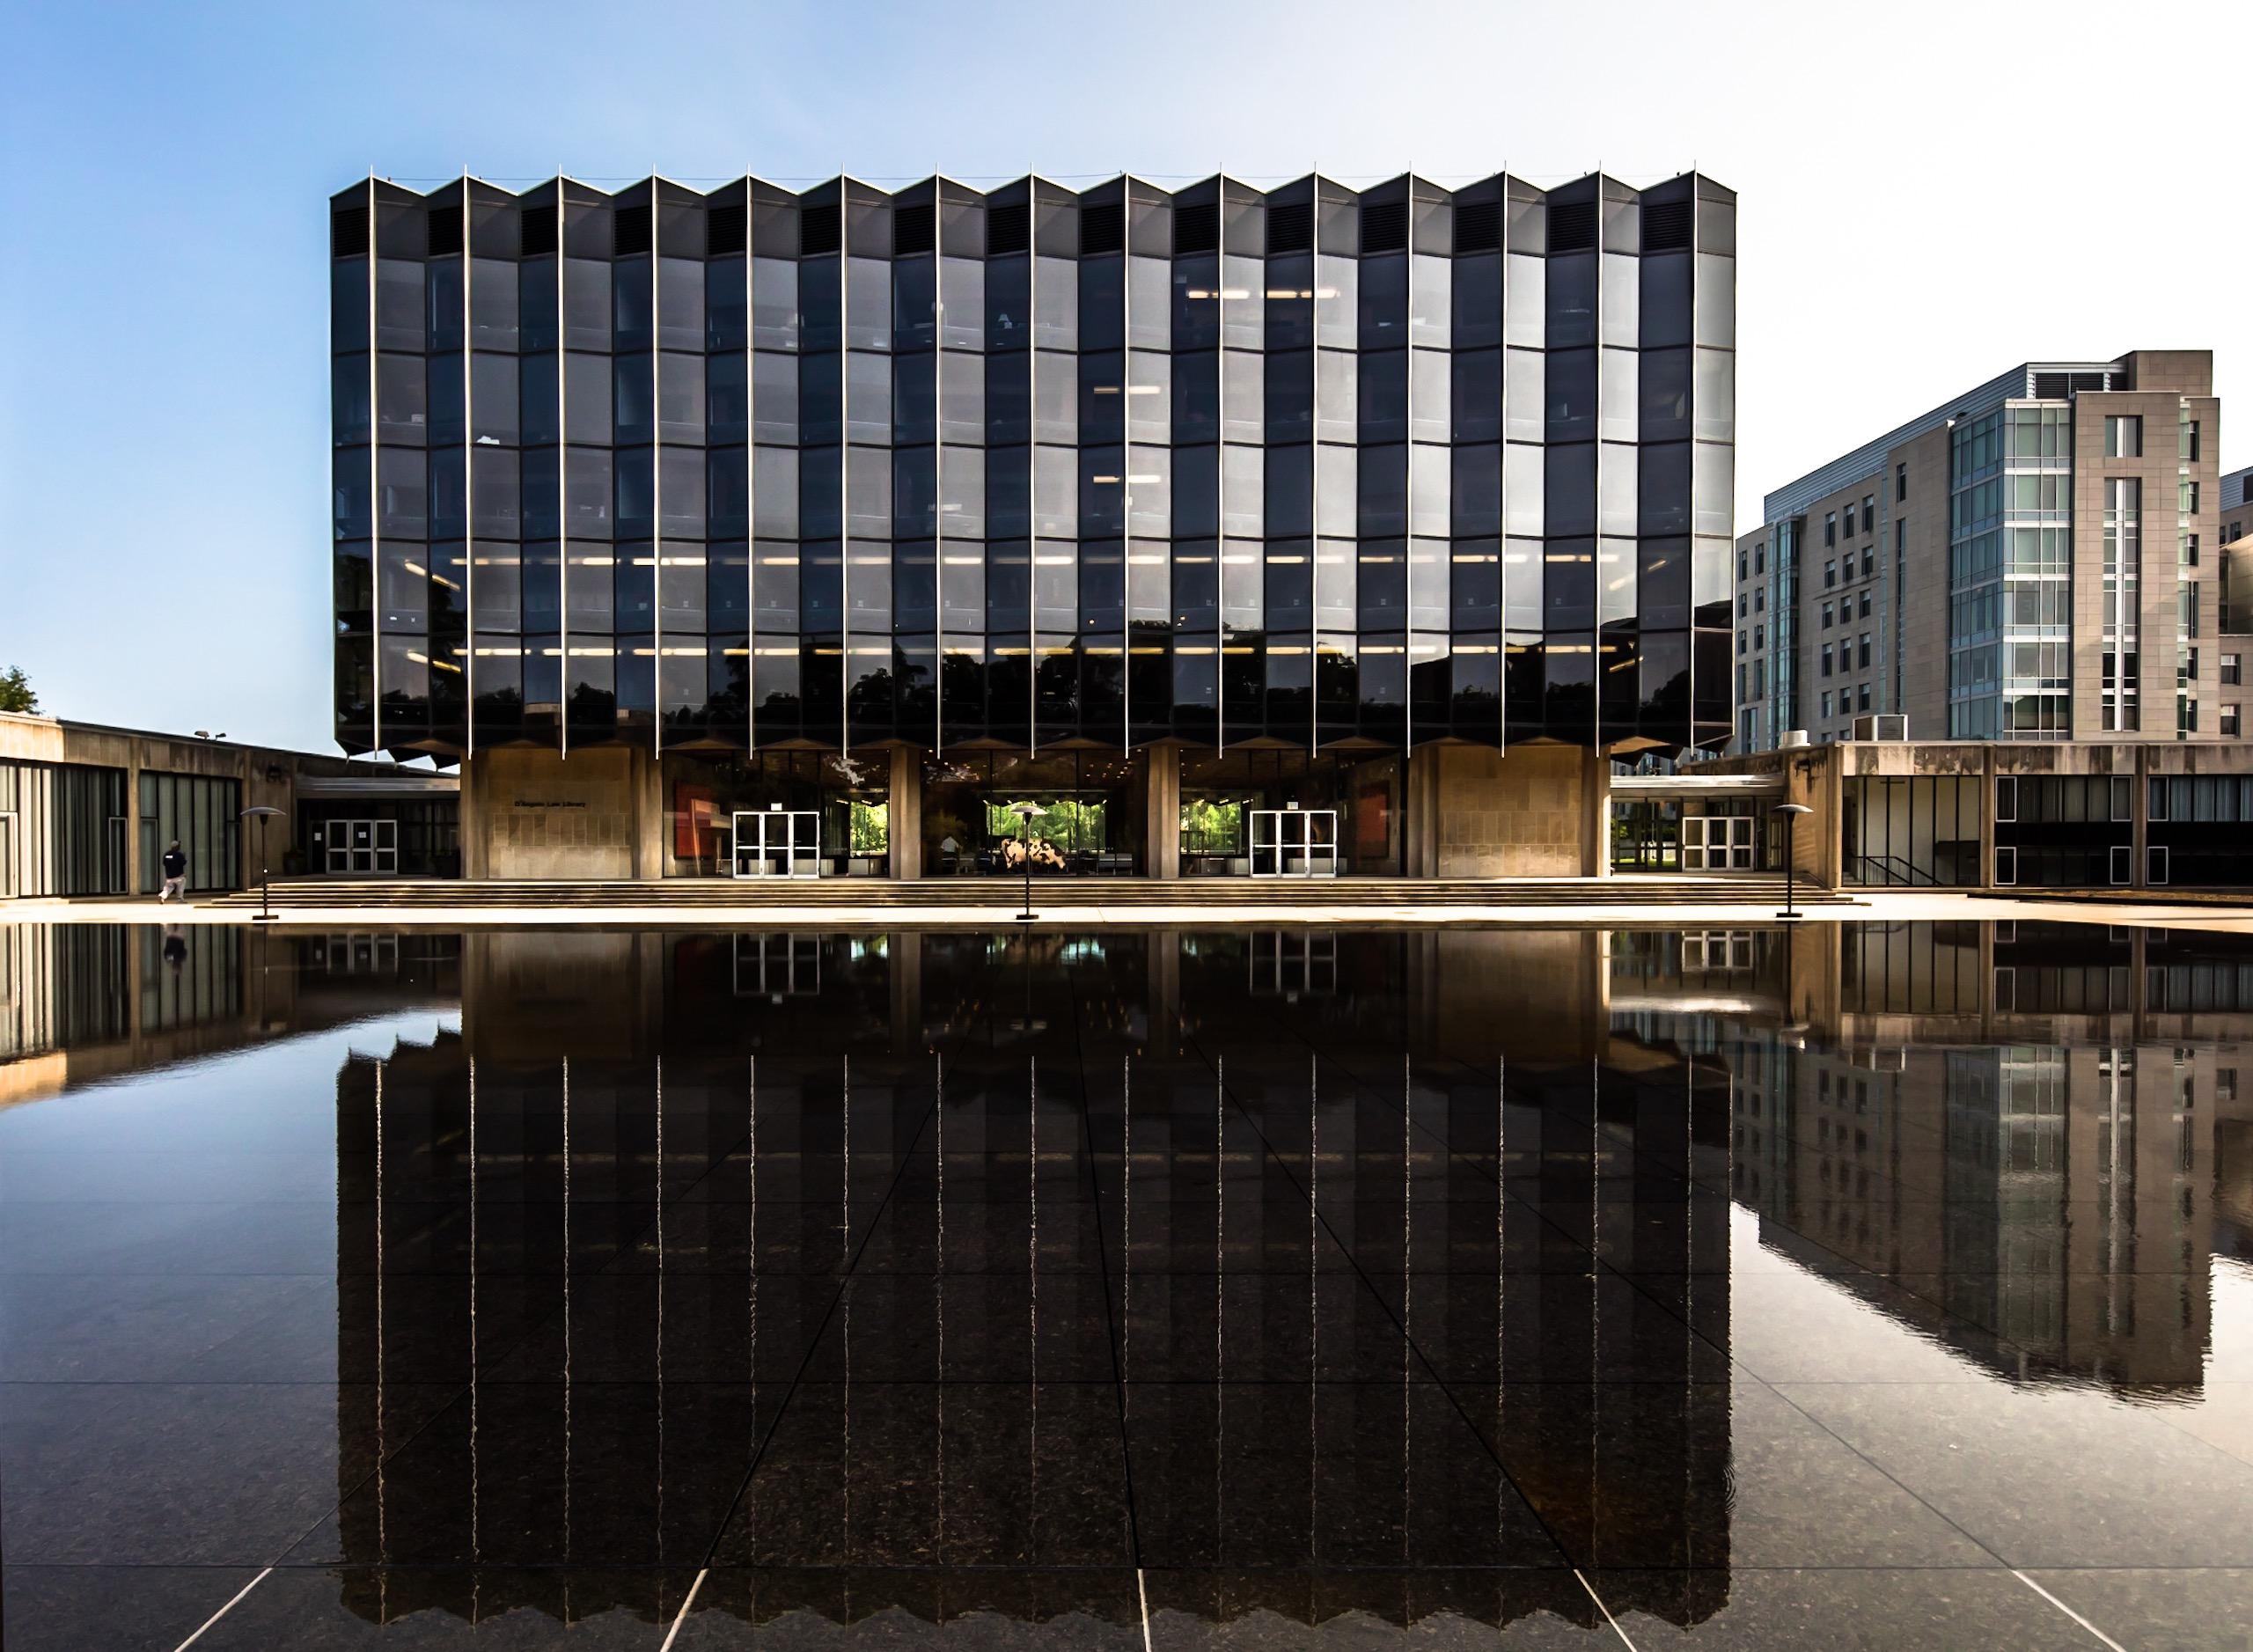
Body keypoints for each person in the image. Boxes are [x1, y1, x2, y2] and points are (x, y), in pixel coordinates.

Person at [158, 840, 188, 905]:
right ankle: (180, 899)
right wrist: (184, 856)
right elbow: (184, 862)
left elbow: (165, 863)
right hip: (179, 876)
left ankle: (162, 896)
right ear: (177, 847)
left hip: (169, 876)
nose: (179, 847)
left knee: (168, 888)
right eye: (179, 846)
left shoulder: (167, 854)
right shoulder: (179, 854)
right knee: (181, 885)